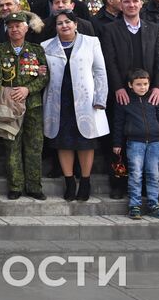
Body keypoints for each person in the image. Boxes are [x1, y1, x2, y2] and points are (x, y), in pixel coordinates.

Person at [42, 11, 109, 201]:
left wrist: (100, 98)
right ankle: (69, 181)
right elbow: (43, 73)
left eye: (68, 22)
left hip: (85, 101)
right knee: (63, 142)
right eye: (60, 23)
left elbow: (100, 71)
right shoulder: (46, 46)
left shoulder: (91, 42)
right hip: (59, 100)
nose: (64, 26)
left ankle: (85, 181)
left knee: (85, 142)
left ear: (76, 24)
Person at [0, 11, 48, 199]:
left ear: (26, 28)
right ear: (7, 30)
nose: (15, 29)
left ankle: (34, 186)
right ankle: (15, 186)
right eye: (11, 26)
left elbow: (44, 77)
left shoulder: (37, 50)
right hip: (9, 105)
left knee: (34, 146)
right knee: (11, 145)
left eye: (18, 26)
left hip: (32, 105)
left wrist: (28, 89)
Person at [111, 69, 159, 219]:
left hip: (154, 143)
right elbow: (118, 124)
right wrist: (117, 143)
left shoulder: (154, 100)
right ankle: (134, 205)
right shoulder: (125, 101)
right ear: (130, 85)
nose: (142, 87)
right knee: (136, 174)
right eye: (138, 84)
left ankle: (153, 203)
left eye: (145, 84)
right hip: (134, 143)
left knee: (153, 174)